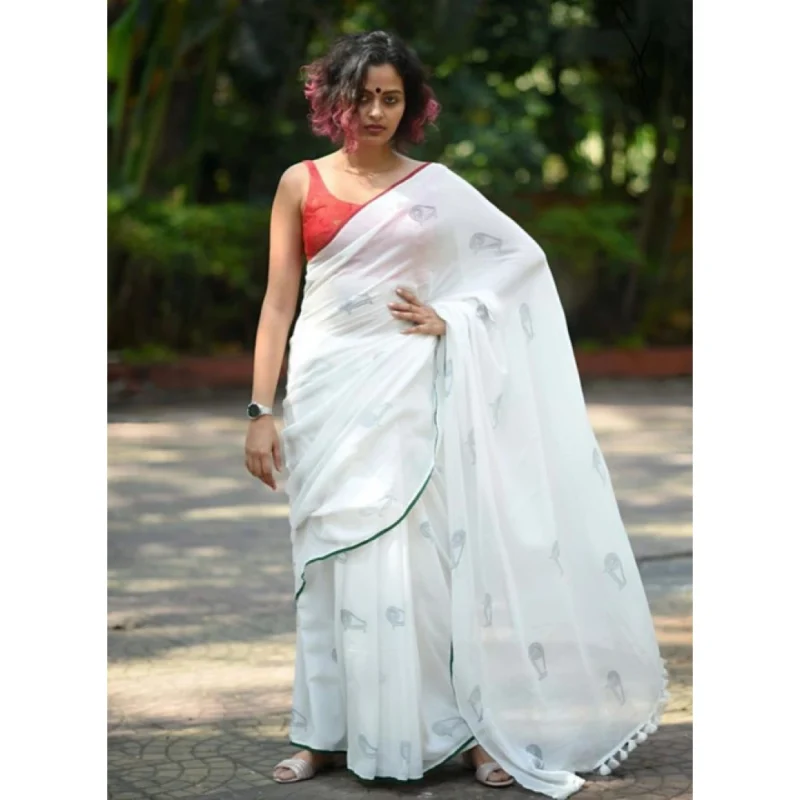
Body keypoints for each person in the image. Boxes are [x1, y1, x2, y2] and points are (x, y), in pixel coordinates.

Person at [244, 30, 667, 798]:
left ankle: (465, 731)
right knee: (329, 566)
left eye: (391, 98)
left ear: (410, 106)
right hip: (324, 393)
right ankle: (324, 734)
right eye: (363, 96)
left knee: (427, 565)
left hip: (407, 386)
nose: (376, 111)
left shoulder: (433, 186)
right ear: (334, 99)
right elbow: (279, 302)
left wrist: (456, 316)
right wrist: (258, 409)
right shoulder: (299, 183)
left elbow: (518, 260)